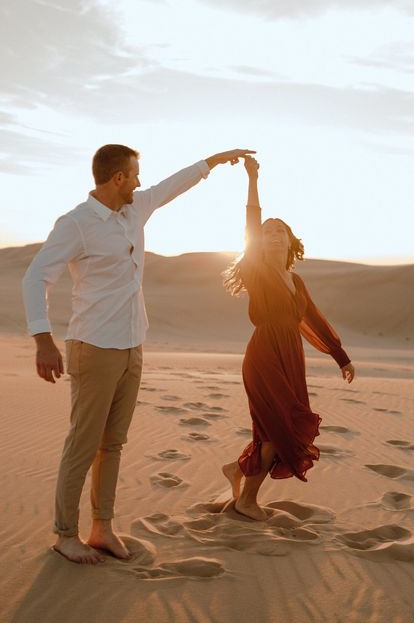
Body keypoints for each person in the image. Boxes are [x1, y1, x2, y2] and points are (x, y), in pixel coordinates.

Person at [22, 144, 255, 564]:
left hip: (132, 345)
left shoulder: (135, 210)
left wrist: (214, 162)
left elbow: (171, 186)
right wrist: (43, 338)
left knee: (112, 445)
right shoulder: (76, 224)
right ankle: (64, 534)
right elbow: (36, 277)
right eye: (134, 175)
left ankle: (102, 528)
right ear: (118, 179)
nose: (140, 182)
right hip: (93, 347)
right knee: (82, 443)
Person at [222, 157, 355, 521]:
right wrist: (252, 178)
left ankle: (237, 472)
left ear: (290, 239)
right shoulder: (256, 269)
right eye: (266, 231)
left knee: (280, 426)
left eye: (279, 230)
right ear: (258, 242)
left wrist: (340, 356)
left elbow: (312, 318)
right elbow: (251, 220)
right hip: (264, 353)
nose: (272, 234)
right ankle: (247, 499)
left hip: (290, 356)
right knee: (277, 427)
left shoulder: (296, 281)